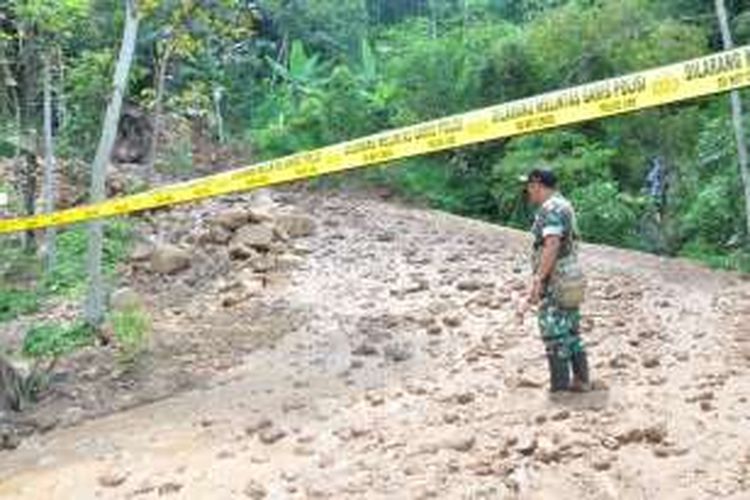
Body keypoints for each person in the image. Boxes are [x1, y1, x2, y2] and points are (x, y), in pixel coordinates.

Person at [517, 168, 590, 392]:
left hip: (556, 279)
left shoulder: (550, 209)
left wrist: (539, 280)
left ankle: (559, 389)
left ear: (537, 184)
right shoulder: (564, 204)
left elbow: (552, 243)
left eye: (529, 186)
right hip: (570, 276)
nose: (528, 191)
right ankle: (581, 380)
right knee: (571, 331)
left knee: (553, 332)